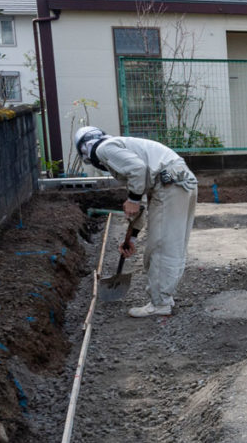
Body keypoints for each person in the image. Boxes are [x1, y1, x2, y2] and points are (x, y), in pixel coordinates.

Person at [73, 127, 198, 318]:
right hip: (180, 181)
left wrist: (132, 198)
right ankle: (165, 297)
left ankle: (160, 303)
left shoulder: (103, 149)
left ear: (85, 150)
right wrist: (132, 237)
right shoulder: (123, 147)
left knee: (161, 247)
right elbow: (143, 198)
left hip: (169, 185)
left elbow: (137, 172)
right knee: (173, 244)